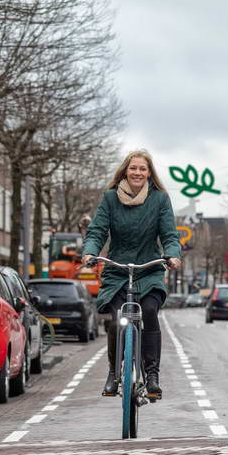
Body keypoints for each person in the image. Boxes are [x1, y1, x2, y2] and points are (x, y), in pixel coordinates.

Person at [81, 150, 182, 399]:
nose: (138, 173)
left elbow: (169, 234)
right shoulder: (110, 199)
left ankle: (152, 375)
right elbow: (97, 232)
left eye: (143, 169)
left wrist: (172, 254)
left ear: (149, 173)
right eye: (133, 168)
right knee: (117, 319)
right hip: (117, 270)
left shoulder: (160, 199)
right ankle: (114, 374)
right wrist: (90, 253)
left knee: (148, 311)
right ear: (126, 170)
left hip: (149, 269)